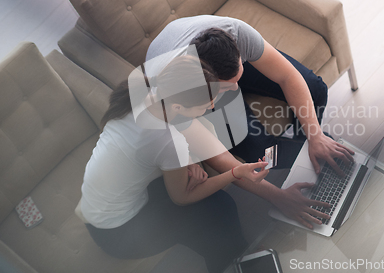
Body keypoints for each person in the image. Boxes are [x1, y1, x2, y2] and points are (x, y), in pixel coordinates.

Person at [145, 15, 356, 229]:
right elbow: (220, 158)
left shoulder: (236, 32)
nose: (237, 91)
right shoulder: (180, 94)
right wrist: (278, 197)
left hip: (211, 61)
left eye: (238, 80)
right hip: (188, 75)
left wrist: (315, 135)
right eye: (227, 88)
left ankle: (311, 149)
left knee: (316, 89)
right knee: (259, 151)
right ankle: (304, 154)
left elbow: (288, 77)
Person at [80, 56, 269, 273]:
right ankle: (236, 259)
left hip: (97, 211)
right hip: (117, 234)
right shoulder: (167, 140)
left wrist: (186, 161)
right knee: (220, 208)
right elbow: (181, 198)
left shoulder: (143, 93)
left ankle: (237, 254)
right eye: (207, 104)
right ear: (178, 106)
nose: (212, 105)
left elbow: (156, 146)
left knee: (206, 217)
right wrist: (237, 172)